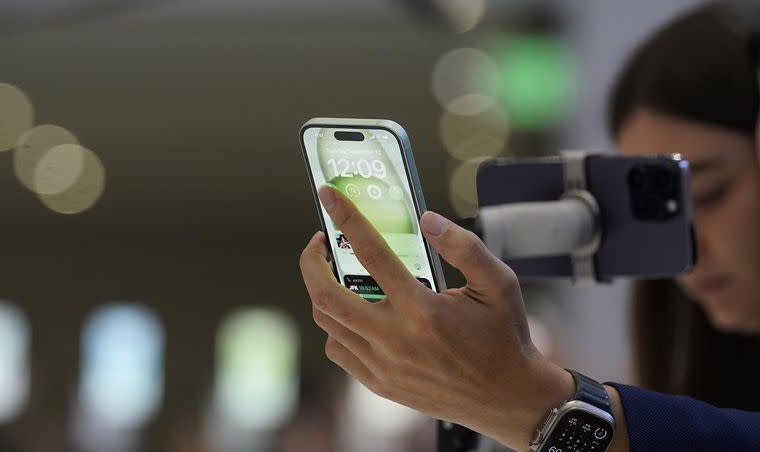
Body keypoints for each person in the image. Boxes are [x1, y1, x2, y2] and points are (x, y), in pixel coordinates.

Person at [300, 4, 760, 451]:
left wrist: (538, 404)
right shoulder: (696, 378)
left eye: (709, 194)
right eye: (655, 211)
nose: (686, 243)